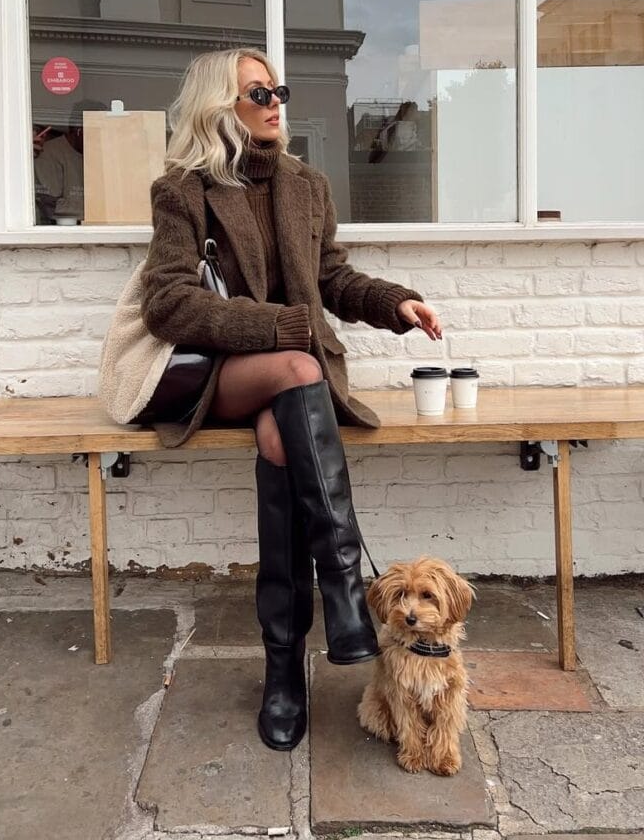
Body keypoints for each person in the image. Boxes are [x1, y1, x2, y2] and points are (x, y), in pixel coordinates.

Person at [139, 49, 442, 752]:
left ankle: (284, 668)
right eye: (257, 91)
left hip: (292, 384)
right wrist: (274, 327)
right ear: (222, 106)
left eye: (278, 88)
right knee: (299, 366)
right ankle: (341, 592)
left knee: (283, 431)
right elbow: (168, 302)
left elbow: (332, 277)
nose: (276, 100)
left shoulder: (307, 185)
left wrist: (397, 304)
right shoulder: (182, 190)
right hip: (224, 372)